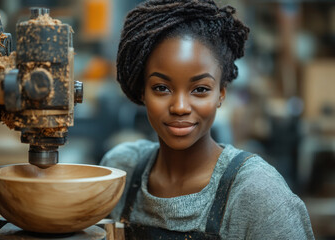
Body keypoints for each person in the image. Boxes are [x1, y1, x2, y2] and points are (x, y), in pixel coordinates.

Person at [101, 0, 315, 239]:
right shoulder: (120, 170)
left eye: (200, 89)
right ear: (142, 92)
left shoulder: (258, 194)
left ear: (221, 94)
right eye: (161, 87)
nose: (180, 107)